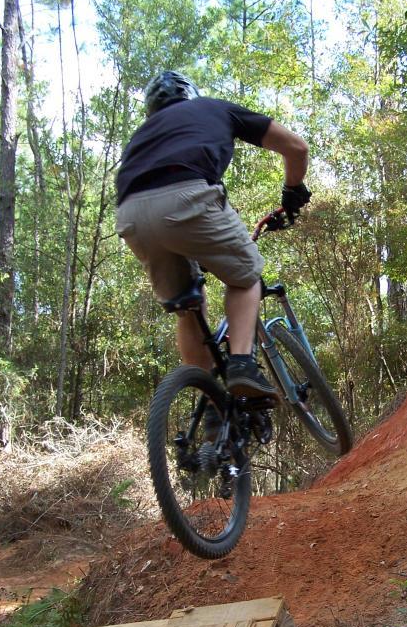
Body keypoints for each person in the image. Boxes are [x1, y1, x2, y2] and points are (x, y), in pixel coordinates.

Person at [116, 70, 311, 400]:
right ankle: (241, 365)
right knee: (246, 278)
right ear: (192, 94)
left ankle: (211, 405)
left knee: (188, 306)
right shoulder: (214, 108)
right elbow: (296, 147)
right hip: (188, 198)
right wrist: (293, 190)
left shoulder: (141, 136)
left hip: (131, 214)